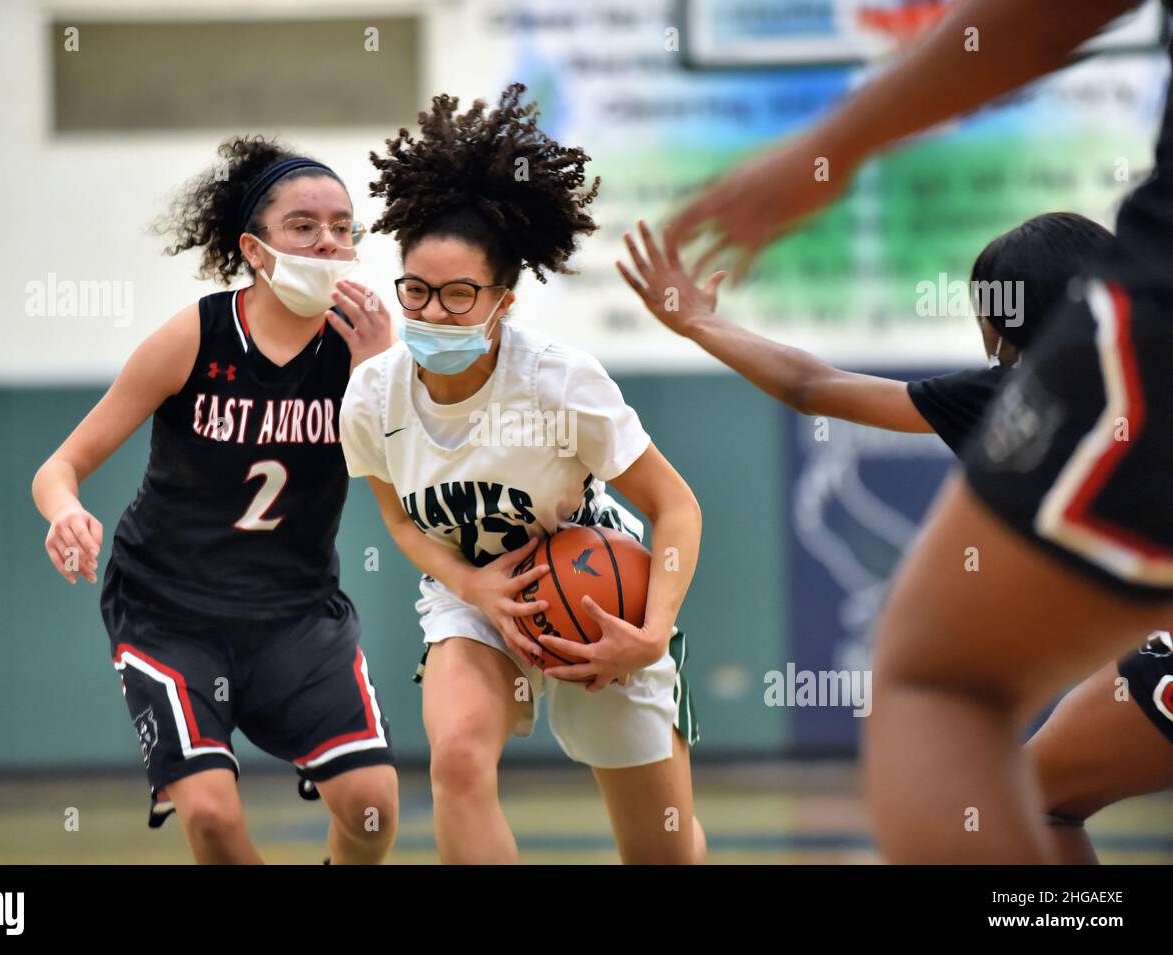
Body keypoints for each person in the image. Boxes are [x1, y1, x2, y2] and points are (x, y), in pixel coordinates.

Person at [664, 0, 1173, 862]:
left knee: (944, 691)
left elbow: (811, 384)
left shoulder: (1021, 390)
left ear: (1004, 328)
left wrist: (697, 320)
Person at [335, 84, 706, 863]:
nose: (432, 312)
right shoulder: (371, 395)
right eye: (416, 291)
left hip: (594, 587)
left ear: (501, 301)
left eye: (459, 294)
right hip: (474, 595)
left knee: (661, 847)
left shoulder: (558, 382)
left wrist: (651, 633)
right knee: (458, 760)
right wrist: (472, 589)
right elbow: (400, 521)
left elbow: (676, 507)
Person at [32, 136, 398, 864]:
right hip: (170, 611)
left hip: (293, 611)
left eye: (342, 226)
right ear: (254, 250)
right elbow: (61, 464)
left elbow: (402, 488)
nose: (328, 240)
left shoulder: (363, 350)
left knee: (372, 809)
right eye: (304, 225)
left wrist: (381, 379)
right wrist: (65, 510)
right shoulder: (197, 335)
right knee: (212, 819)